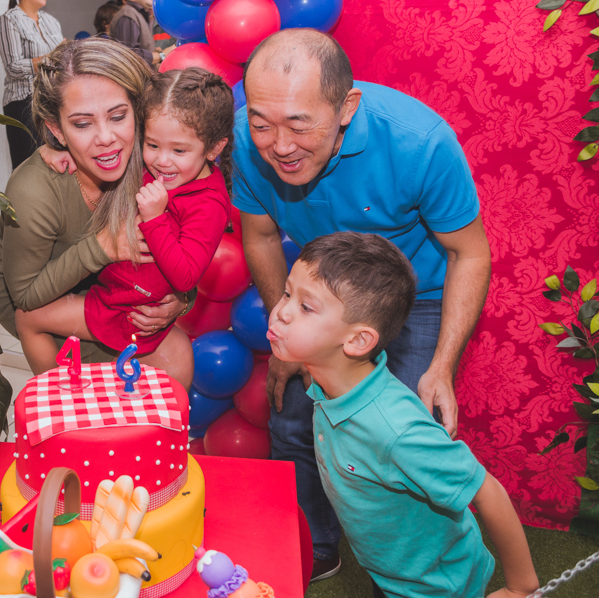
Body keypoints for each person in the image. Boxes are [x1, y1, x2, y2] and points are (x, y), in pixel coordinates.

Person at [232, 28, 492, 579]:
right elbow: (257, 236)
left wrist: (443, 364)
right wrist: (285, 330)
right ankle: (314, 544)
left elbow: (469, 253)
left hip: (413, 300)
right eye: (262, 123)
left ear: (346, 107)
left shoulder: (420, 143)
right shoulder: (245, 137)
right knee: (295, 422)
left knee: (399, 441)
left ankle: (415, 568)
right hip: (314, 295)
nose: (278, 144)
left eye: (300, 124)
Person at [267, 232, 537, 598]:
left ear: (358, 341)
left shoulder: (397, 429)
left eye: (306, 307)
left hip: (436, 586)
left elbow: (485, 489)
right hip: (391, 573)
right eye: (287, 293)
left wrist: (521, 587)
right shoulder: (326, 386)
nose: (282, 310)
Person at [15, 68, 234, 391]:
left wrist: (155, 218)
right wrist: (56, 149)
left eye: (179, 151)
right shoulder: (158, 167)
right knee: (27, 314)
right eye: (153, 144)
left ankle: (59, 396)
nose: (161, 161)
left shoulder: (210, 203)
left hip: (125, 310)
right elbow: (103, 151)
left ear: (214, 149)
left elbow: (186, 276)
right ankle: (59, 394)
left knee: (28, 318)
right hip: (116, 294)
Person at [0, 37, 188, 370]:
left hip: (120, 305)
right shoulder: (34, 189)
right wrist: (104, 247)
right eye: (82, 124)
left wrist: (179, 302)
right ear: (58, 130)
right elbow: (22, 298)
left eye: (118, 116)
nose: (105, 137)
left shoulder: (153, 164)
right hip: (46, 324)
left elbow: (187, 250)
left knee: (178, 354)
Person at [0, 0, 63, 169]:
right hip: (23, 103)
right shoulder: (9, 19)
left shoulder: (51, 21)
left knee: (56, 163)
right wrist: (48, 59)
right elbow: (13, 67)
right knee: (29, 166)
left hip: (53, 101)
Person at [110, 0, 164, 67]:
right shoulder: (128, 16)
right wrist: (161, 55)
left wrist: (151, 51)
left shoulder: (137, 13)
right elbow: (129, 57)